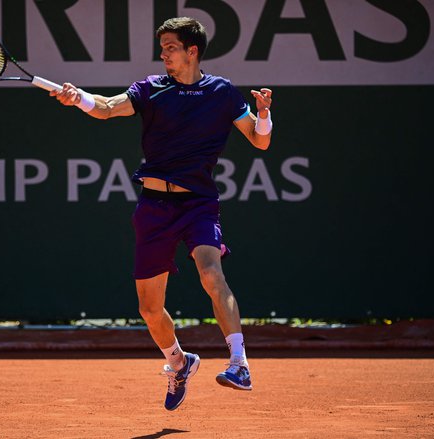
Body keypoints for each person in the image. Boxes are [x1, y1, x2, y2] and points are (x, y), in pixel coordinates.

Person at [51, 17, 273, 411]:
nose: (164, 53)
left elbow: (259, 139)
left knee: (210, 271)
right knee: (150, 309)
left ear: (192, 51)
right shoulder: (151, 89)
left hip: (198, 203)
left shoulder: (221, 93)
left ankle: (239, 362)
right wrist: (79, 98)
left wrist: (265, 114)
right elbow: (105, 108)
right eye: (162, 47)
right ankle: (179, 362)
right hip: (154, 208)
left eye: (171, 46)